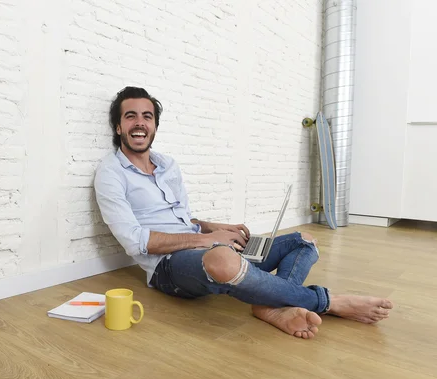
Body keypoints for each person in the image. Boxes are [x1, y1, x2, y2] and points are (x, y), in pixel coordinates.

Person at [94, 86, 393, 339]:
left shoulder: (167, 165)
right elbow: (134, 241)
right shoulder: (110, 173)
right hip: (167, 267)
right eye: (130, 116)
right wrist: (209, 242)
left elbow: (184, 220)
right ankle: (328, 301)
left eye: (147, 116)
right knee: (224, 258)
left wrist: (212, 227)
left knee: (304, 240)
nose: (139, 123)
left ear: (155, 126)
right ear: (118, 127)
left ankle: (270, 305)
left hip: (200, 244)